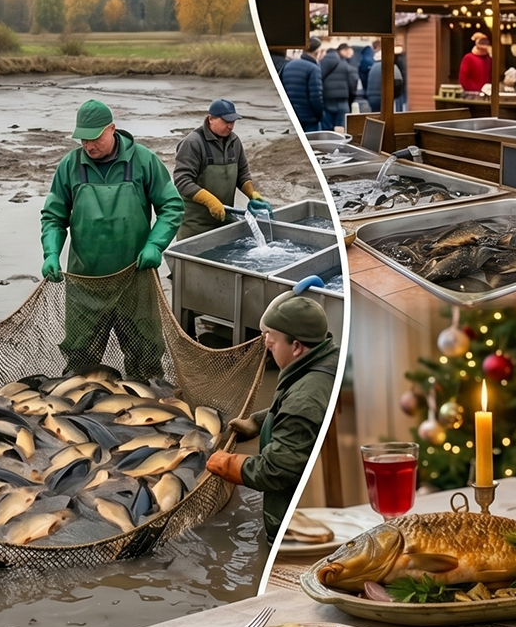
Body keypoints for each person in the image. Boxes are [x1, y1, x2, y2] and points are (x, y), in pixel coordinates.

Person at [40, 100, 183, 380]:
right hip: (85, 284)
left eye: (95, 138)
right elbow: (54, 217)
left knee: (146, 357)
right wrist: (51, 253)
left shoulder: (143, 161)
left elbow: (171, 207)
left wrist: (156, 244)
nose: (89, 146)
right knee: (80, 359)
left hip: (136, 280)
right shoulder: (70, 166)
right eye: (83, 139)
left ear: (112, 130)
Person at [204, 283, 339, 542]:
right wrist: (259, 421)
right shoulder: (328, 358)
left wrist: (228, 463)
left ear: (297, 346)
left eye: (272, 341)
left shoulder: (304, 399)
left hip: (298, 529)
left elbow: (274, 471)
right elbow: (299, 410)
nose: (266, 344)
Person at [172, 98, 270, 240]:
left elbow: (242, 173)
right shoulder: (193, 143)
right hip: (195, 226)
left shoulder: (234, 141)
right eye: (226, 122)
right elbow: (182, 181)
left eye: (233, 122)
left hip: (224, 220)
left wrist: (252, 194)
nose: (230, 126)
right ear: (211, 119)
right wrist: (210, 201)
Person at [280, 38, 325, 131]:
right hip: (309, 120)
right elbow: (316, 97)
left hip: (290, 118)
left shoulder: (287, 65)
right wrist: (320, 116)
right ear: (317, 52)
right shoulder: (313, 69)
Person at [319, 42, 360, 129]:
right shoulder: (347, 65)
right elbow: (353, 83)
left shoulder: (321, 64)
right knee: (341, 129)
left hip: (326, 100)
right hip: (342, 101)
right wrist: (351, 99)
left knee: (327, 129)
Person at [458, 32, 493, 96]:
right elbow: (463, 78)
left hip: (487, 94)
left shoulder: (489, 59)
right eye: (482, 43)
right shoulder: (468, 58)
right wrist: (473, 90)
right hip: (471, 95)